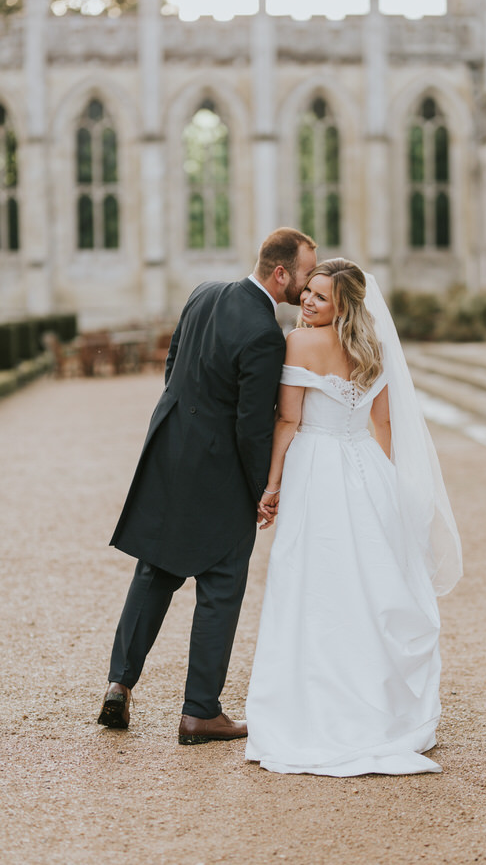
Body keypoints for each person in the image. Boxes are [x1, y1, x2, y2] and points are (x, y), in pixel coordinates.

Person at [97, 227, 317, 744]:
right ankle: (200, 712)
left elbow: (173, 367)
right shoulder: (265, 332)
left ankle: (118, 685)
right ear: (280, 272)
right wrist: (263, 488)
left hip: (169, 454)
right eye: (306, 274)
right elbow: (251, 425)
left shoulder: (203, 292)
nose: (307, 287)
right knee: (220, 586)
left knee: (154, 571)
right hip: (219, 474)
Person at [245, 258, 463, 776]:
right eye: (308, 292)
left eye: (320, 296)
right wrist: (385, 486)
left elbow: (288, 421)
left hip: (317, 471)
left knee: (312, 583)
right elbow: (383, 423)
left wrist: (272, 486)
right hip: (364, 466)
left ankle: (316, 704)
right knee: (368, 584)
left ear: (343, 303)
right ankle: (378, 701)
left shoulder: (298, 344)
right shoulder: (376, 349)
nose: (308, 301)